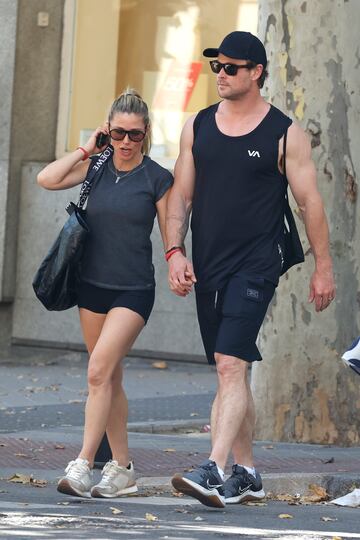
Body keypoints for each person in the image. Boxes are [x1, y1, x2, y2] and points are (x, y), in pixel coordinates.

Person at [165, 31, 335, 508]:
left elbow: (309, 202)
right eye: (216, 66)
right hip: (208, 265)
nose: (221, 74)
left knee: (230, 362)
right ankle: (249, 473)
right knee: (230, 371)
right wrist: (174, 251)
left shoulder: (284, 133)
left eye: (231, 67)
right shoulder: (197, 126)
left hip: (258, 265)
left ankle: (215, 468)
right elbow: (181, 195)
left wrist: (324, 267)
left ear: (256, 71)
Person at [37, 88, 173, 498]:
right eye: (118, 134)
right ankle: (124, 468)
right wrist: (86, 149)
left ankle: (82, 464)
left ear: (146, 133)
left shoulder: (157, 178)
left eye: (134, 135)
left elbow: (171, 235)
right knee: (108, 376)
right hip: (91, 287)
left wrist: (179, 263)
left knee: (97, 371)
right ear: (107, 131)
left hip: (133, 290)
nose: (126, 143)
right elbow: (47, 179)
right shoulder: (95, 167)